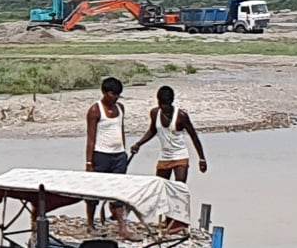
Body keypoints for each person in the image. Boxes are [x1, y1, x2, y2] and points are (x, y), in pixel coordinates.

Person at [83, 76, 132, 238]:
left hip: (118, 156)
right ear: (105, 92)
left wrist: (123, 151)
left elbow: (121, 130)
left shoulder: (121, 108)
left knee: (118, 192)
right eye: (113, 94)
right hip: (101, 155)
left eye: (118, 95)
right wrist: (89, 162)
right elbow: (91, 138)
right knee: (93, 192)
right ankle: (90, 224)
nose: (116, 98)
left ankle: (122, 227)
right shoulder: (95, 110)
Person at [129, 85, 209, 182]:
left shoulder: (181, 116)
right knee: (161, 185)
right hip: (164, 155)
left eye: (166, 104)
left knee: (179, 186)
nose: (163, 107)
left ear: (171, 101)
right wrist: (138, 144)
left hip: (180, 155)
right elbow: (152, 130)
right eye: (161, 104)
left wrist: (202, 159)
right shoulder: (154, 113)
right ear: (158, 101)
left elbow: (194, 137)